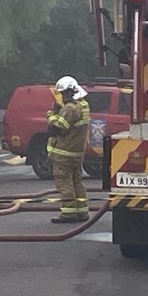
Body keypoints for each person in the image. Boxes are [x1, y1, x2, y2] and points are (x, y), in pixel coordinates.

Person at [47, 76, 91, 224]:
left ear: (69, 92)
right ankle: (82, 211)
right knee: (77, 182)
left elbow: (59, 128)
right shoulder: (84, 105)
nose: (62, 97)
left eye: (63, 94)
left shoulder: (70, 108)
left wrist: (52, 115)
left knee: (64, 182)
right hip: (77, 153)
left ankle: (69, 213)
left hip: (64, 154)